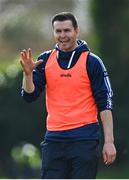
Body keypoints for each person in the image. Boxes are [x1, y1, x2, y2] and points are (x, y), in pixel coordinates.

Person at [20, 12, 116, 179]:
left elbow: (105, 103)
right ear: (54, 33)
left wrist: (109, 142)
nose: (62, 35)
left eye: (67, 30)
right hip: (54, 140)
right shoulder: (45, 60)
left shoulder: (92, 62)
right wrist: (28, 75)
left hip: (84, 140)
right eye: (58, 31)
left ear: (76, 31)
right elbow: (30, 96)